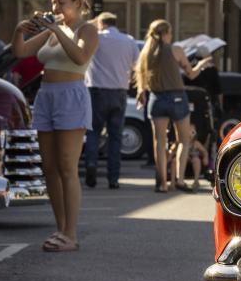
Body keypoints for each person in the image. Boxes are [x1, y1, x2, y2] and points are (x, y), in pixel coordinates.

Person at [12, 0, 100, 251]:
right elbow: (22, 51)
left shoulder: (87, 28)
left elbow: (80, 55)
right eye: (53, 1)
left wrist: (57, 30)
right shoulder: (55, 29)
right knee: (49, 167)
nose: (56, 7)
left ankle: (70, 234)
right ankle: (60, 228)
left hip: (71, 95)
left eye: (61, 2)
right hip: (47, 95)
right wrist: (19, 30)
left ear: (77, 3)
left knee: (66, 165)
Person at [82, 11, 143, 190]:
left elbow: (83, 39)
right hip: (119, 91)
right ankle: (113, 178)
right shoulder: (129, 40)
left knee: (93, 132)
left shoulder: (97, 38)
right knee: (115, 136)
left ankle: (91, 165)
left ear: (100, 24)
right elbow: (136, 66)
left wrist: (93, 24)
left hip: (97, 90)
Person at [136, 19, 196, 193]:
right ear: (166, 33)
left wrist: (141, 91)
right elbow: (191, 74)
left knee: (159, 143)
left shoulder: (146, 52)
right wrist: (201, 65)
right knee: (183, 140)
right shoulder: (176, 49)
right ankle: (180, 180)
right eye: (170, 32)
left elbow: (140, 75)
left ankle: (162, 183)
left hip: (156, 98)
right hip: (177, 97)